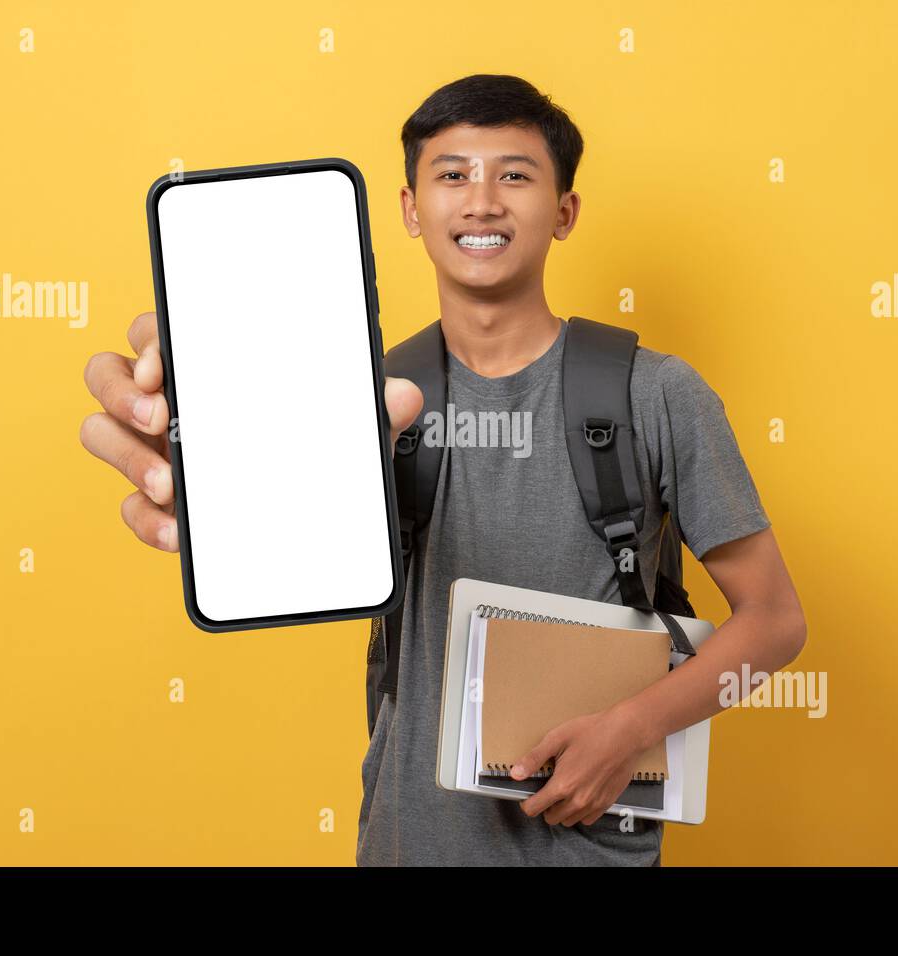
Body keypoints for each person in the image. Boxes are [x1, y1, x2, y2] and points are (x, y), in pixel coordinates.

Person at [80, 74, 807, 866]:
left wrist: (631, 729)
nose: (483, 200)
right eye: (452, 174)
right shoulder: (364, 401)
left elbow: (773, 621)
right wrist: (200, 454)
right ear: (409, 209)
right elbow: (271, 556)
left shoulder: (656, 392)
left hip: (590, 850)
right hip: (403, 842)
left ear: (564, 213)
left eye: (515, 174)